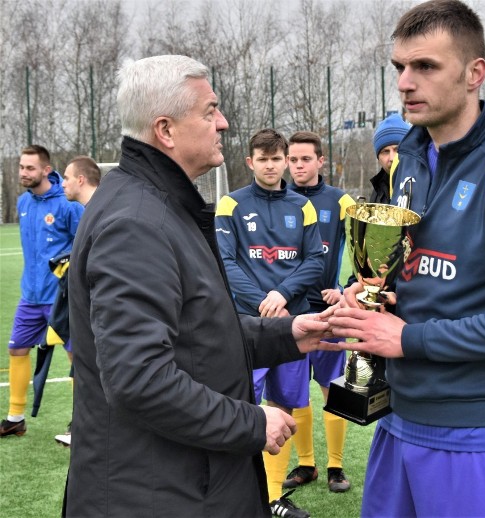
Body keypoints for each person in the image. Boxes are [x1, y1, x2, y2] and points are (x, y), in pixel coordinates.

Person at [325, 1, 485, 516]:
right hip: (398, 413)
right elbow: (426, 272)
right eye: (399, 68)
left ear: (474, 73)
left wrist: (405, 338)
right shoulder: (407, 158)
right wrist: (379, 298)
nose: (405, 83)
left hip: (478, 427)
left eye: (426, 67)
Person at [64, 55, 330, 518]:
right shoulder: (136, 222)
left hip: (182, 483)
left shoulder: (158, 204)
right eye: (210, 111)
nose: (223, 122)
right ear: (165, 130)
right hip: (156, 494)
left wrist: (286, 334)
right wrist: (251, 422)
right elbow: (139, 380)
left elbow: (197, 337)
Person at [215, 128, 325, 503]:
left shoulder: (303, 207)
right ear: (250, 162)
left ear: (285, 161)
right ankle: (237, 494)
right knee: (241, 405)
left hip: (291, 323)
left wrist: (282, 294)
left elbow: (316, 260)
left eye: (277, 159)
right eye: (263, 159)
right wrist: (263, 301)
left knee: (283, 406)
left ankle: (273, 497)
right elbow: (225, 263)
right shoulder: (230, 204)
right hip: (246, 324)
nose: (271, 165)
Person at [282, 130, 356, 493]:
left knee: (332, 389)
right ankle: (306, 464)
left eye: (305, 159)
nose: (297, 166)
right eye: (292, 159)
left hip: (328, 312)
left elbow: (362, 252)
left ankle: (336, 468)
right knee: (295, 391)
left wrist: (345, 290)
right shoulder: (278, 201)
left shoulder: (339, 201)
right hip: (290, 314)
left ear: (320, 161)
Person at [0, 145, 83, 438]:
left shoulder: (68, 204)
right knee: (16, 348)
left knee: (76, 358)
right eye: (21, 167)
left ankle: (81, 424)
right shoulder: (23, 202)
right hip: (30, 297)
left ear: (46, 170)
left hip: (61, 298)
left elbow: (87, 242)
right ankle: (15, 419)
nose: (24, 173)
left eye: (30, 168)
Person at [51, 155, 102, 447]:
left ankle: (86, 428)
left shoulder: (98, 211)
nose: (64, 183)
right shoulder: (90, 210)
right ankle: (83, 425)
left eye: (67, 178)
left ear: (81, 179)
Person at [370, 113, 410, 203]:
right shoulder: (378, 191)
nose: (392, 158)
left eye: (397, 149)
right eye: (385, 152)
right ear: (378, 158)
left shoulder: (425, 184)